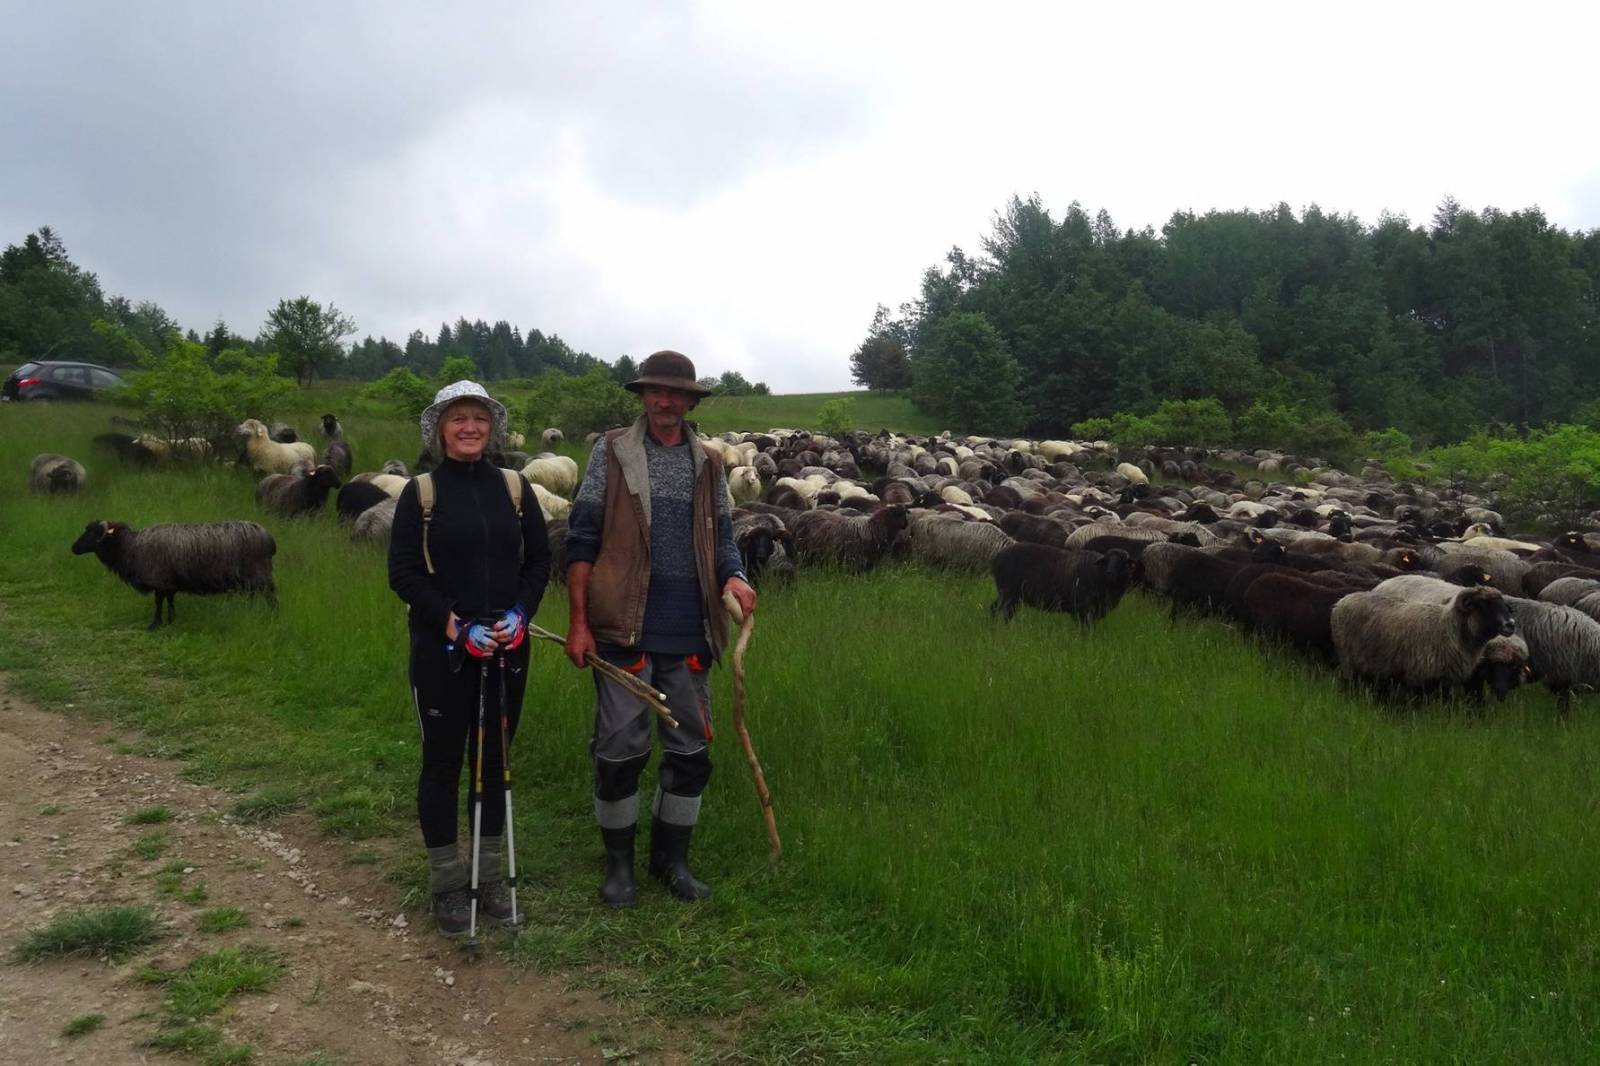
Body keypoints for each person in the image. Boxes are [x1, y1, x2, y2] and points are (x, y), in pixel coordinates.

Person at [565, 350, 757, 906]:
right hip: (620, 625)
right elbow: (581, 537)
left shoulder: (710, 463)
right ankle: (619, 865)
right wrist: (578, 623)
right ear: (643, 396)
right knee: (620, 750)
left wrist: (736, 576)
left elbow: (722, 538)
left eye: (675, 393)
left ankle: (671, 860)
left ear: (691, 402)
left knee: (691, 751)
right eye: (656, 390)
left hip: (691, 628)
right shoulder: (611, 452)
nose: (664, 401)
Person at [389, 380, 551, 936]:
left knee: (495, 760)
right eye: (457, 418)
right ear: (439, 429)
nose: (469, 427)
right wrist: (453, 623)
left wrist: (521, 613)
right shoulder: (421, 493)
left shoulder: (515, 487)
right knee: (442, 763)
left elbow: (539, 562)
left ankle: (489, 875)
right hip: (442, 651)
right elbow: (403, 573)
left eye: (479, 418)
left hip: (507, 648)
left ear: (492, 427)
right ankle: (447, 884)